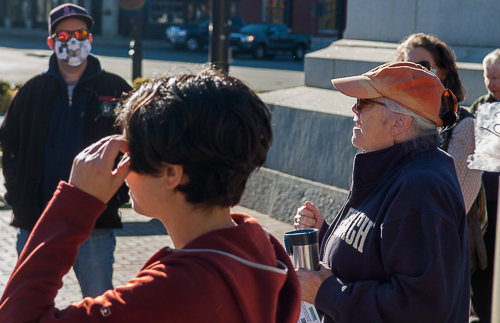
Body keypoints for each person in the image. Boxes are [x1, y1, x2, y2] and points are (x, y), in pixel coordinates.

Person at [0, 69, 301, 322]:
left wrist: (75, 202)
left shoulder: (174, 290)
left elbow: (17, 315)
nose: (122, 165)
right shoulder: (261, 246)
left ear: (171, 173)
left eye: (133, 152)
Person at [294, 62, 470, 323]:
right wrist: (326, 234)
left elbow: (420, 308)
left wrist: (327, 292)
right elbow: (372, 254)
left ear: (399, 122)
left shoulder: (419, 188)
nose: (354, 109)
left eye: (364, 102)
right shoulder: (397, 169)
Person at [0, 3, 132, 298]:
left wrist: (117, 194)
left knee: (99, 300)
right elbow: (9, 144)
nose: (72, 41)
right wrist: (18, 197)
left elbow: (136, 146)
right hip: (37, 221)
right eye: (62, 36)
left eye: (80, 33)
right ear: (51, 42)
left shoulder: (115, 89)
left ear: (90, 39)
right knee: (26, 299)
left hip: (94, 222)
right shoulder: (32, 92)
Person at [395, 33, 486, 321]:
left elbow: (452, 204)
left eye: (423, 65)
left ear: (442, 72)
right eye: (405, 68)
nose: (413, 74)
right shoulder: (397, 123)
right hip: (397, 256)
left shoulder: (465, 127)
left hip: (439, 261)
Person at [469, 48, 500, 323]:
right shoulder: (480, 105)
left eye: (499, 77)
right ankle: (481, 313)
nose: (493, 83)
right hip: (483, 199)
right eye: (489, 77)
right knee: (482, 260)